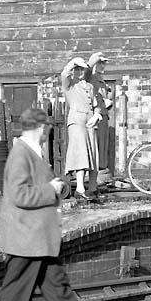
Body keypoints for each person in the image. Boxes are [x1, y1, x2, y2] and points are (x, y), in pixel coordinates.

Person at [0, 108, 102, 301]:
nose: (49, 132)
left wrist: (60, 187)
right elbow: (19, 194)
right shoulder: (20, 155)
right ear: (42, 128)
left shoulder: (33, 153)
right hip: (26, 237)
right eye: (49, 128)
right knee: (17, 289)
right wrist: (51, 190)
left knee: (56, 285)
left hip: (38, 238)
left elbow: (46, 185)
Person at [60, 56, 98, 199]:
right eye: (77, 69)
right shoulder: (70, 85)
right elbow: (64, 75)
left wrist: (97, 115)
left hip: (89, 123)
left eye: (82, 69)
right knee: (80, 154)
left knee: (92, 155)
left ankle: (91, 188)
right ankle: (80, 189)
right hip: (76, 121)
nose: (80, 72)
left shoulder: (90, 87)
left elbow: (96, 104)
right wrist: (71, 64)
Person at [87, 52, 115, 187]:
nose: (103, 65)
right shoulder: (91, 78)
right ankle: (95, 173)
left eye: (104, 63)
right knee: (96, 145)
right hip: (95, 116)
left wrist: (109, 98)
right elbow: (93, 97)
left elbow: (105, 94)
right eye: (101, 63)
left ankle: (101, 170)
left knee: (102, 145)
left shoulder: (101, 79)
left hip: (103, 115)